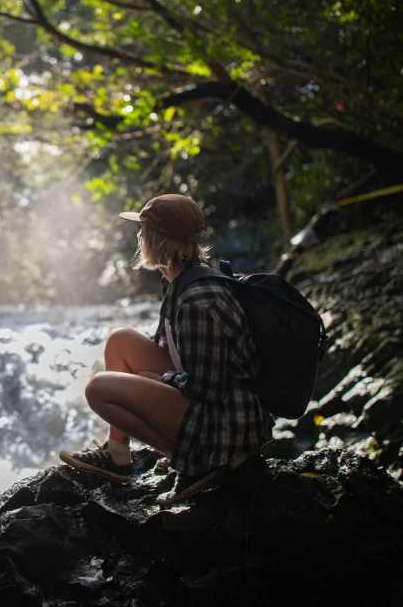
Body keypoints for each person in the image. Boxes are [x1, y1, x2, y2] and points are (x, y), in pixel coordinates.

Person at [59, 194, 273, 505]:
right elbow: (178, 358)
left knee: (98, 388)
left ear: (154, 240)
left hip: (227, 426)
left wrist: (157, 381)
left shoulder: (199, 299)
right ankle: (118, 453)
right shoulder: (179, 282)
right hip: (213, 408)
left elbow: (207, 387)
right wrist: (153, 378)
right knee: (120, 340)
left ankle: (198, 467)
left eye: (142, 230)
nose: (138, 235)